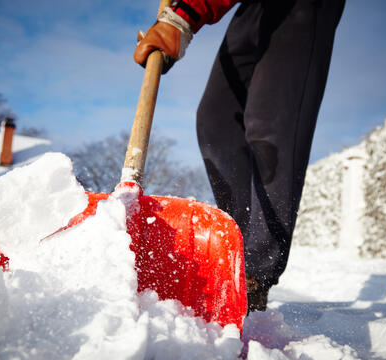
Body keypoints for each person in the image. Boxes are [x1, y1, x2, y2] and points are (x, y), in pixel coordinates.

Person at [134, 0, 345, 312]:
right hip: (254, 7)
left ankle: (254, 275)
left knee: (269, 127)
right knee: (215, 121)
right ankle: (237, 251)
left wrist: (182, 18)